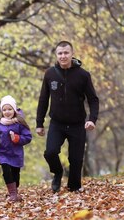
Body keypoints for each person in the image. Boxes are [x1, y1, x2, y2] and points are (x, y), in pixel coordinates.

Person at [36, 41, 99, 193]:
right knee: (50, 152)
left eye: (66, 53)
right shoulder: (50, 74)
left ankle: (74, 188)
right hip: (57, 123)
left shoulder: (83, 75)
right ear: (56, 55)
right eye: (60, 53)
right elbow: (43, 99)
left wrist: (92, 119)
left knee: (76, 160)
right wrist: (39, 123)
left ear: (72, 54)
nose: (63, 56)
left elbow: (93, 99)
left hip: (77, 124)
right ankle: (57, 172)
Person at [0, 95, 32, 202]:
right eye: (4, 110)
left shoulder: (19, 123)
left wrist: (17, 138)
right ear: (1, 111)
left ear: (14, 109)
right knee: (6, 171)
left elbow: (28, 137)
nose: (7, 112)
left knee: (15, 175)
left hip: (16, 153)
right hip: (3, 153)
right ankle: (12, 194)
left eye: (9, 109)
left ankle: (15, 191)